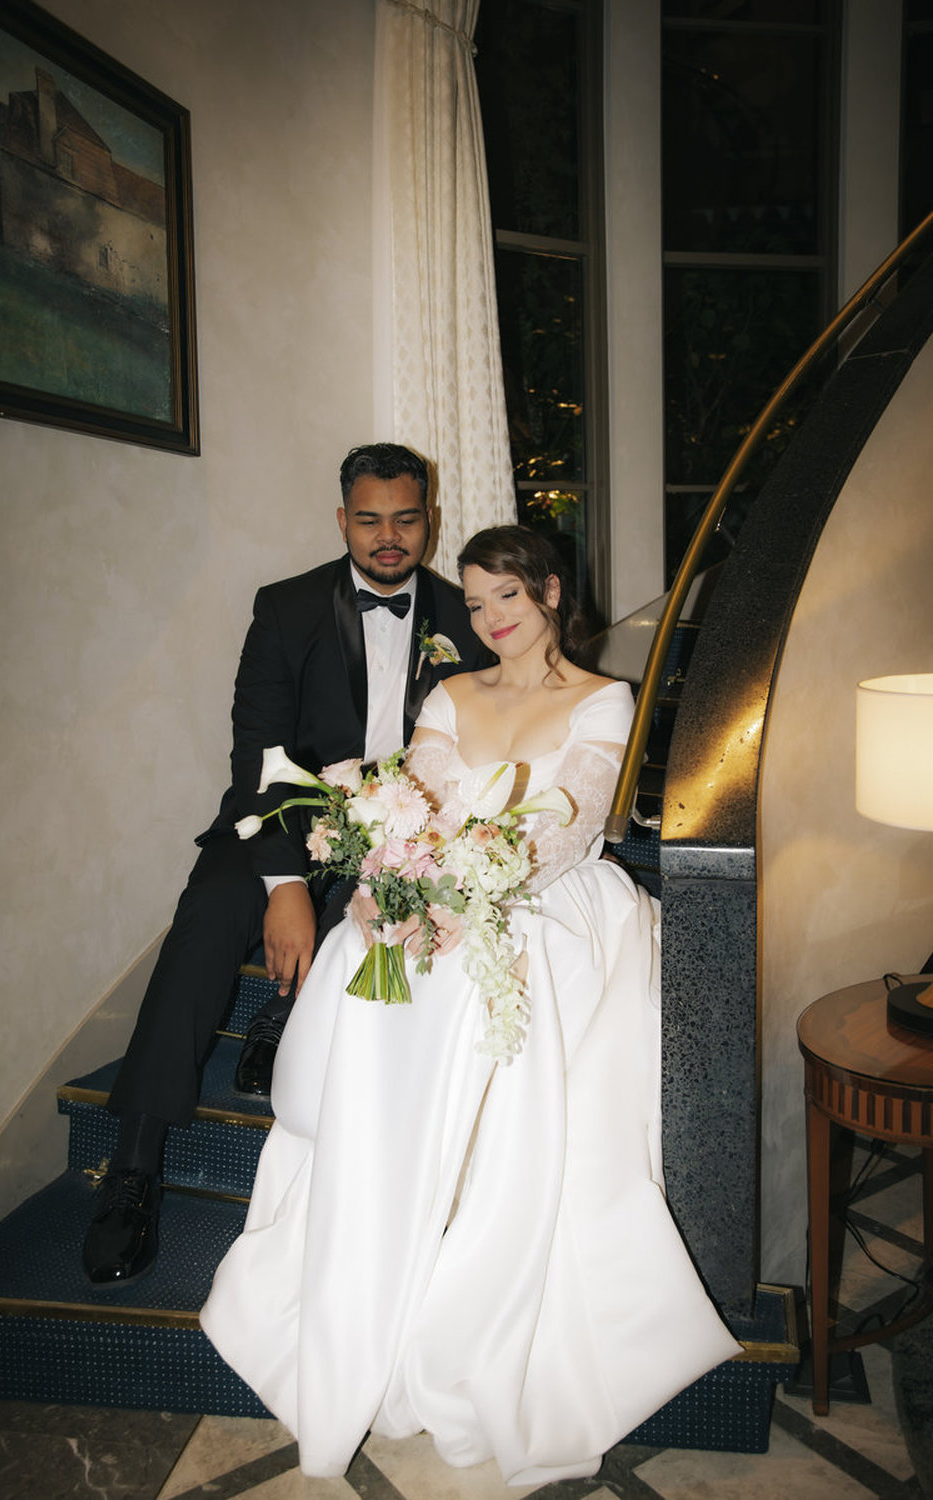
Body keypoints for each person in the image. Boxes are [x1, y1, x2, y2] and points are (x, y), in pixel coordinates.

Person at [199, 525, 741, 1486]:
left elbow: (567, 829)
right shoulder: (450, 695)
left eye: (509, 598)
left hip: (541, 899)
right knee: (372, 955)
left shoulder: (604, 698)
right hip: (437, 890)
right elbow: (410, 806)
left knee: (492, 977)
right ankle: (376, 1224)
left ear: (551, 593)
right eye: (478, 602)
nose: (491, 620)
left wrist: (469, 899)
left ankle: (467, 1257)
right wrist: (390, 882)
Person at [82, 443, 484, 1286]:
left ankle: (282, 1012)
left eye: (405, 519)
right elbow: (258, 755)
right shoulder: (286, 607)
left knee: (374, 916)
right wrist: (284, 883)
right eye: (368, 520)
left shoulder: (467, 616)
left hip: (409, 827)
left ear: (430, 521)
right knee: (207, 915)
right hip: (286, 815)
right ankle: (133, 1166)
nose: (387, 537)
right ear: (341, 521)